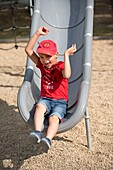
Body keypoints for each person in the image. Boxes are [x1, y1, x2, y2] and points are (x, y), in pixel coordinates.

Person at [25, 26, 76, 152]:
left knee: (54, 119)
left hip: (60, 101)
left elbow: (67, 75)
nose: (44, 60)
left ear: (56, 55)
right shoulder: (42, 66)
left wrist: (66, 55)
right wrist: (37, 33)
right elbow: (28, 50)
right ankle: (37, 132)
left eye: (48, 56)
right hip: (46, 99)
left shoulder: (60, 66)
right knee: (39, 107)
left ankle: (47, 139)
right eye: (42, 57)